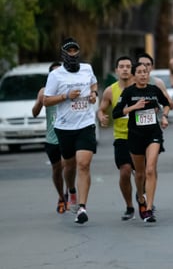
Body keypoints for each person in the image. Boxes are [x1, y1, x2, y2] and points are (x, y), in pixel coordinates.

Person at [44, 37, 99, 224]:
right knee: (69, 166)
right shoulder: (55, 75)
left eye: (76, 50)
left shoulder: (87, 68)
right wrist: (66, 95)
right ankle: (71, 190)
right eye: (70, 51)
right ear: (64, 54)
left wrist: (93, 94)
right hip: (64, 126)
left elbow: (93, 84)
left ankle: (82, 207)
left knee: (83, 164)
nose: (73, 54)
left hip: (86, 123)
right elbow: (46, 100)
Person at [112, 62, 171, 223]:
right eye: (139, 72)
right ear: (134, 75)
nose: (143, 74)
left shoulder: (154, 90)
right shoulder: (129, 92)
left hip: (153, 133)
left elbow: (167, 104)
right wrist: (133, 107)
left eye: (145, 71)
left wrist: (164, 116)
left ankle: (149, 208)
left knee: (150, 169)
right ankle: (140, 196)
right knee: (140, 173)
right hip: (135, 135)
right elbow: (116, 113)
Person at [98, 56, 142, 220]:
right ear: (116, 70)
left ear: (132, 69)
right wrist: (101, 116)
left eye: (128, 66)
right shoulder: (110, 90)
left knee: (141, 173)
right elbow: (101, 109)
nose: (124, 69)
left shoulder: (140, 87)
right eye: (121, 66)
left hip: (140, 135)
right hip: (121, 137)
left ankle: (142, 195)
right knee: (124, 172)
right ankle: (130, 206)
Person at [32, 61, 71, 214]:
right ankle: (61, 197)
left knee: (67, 165)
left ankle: (70, 192)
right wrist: (40, 102)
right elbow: (35, 113)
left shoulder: (69, 90)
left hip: (67, 134)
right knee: (56, 170)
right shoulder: (44, 91)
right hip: (52, 138)